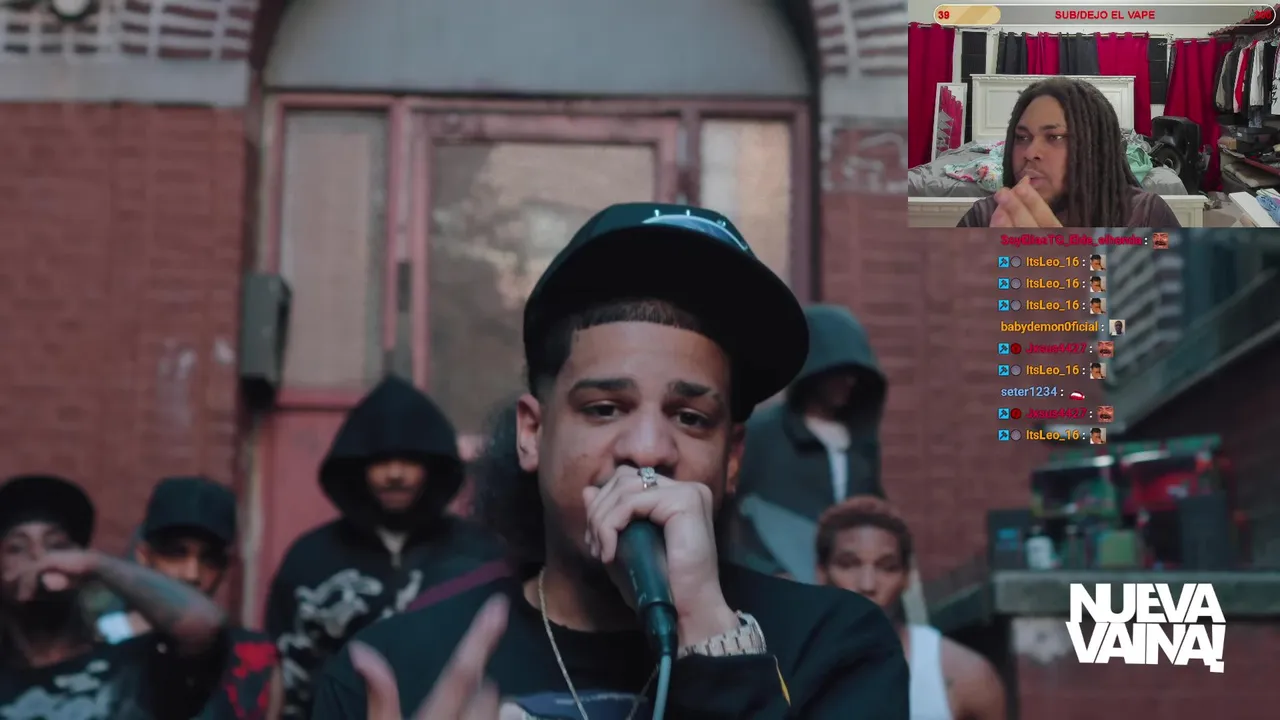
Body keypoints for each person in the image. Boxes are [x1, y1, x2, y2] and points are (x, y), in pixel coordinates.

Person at [309, 203, 909, 719]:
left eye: (691, 417)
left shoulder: (835, 648)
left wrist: (708, 631)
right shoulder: (391, 674)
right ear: (531, 433)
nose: (647, 449)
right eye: (603, 408)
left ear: (732, 459)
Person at [266, 375, 504, 719]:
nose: (395, 473)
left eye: (409, 460)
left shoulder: (479, 553)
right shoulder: (309, 559)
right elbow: (287, 677)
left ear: (433, 465)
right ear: (357, 466)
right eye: (380, 460)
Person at [0, 473, 229, 719]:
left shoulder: (135, 664)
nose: (40, 557)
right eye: (17, 548)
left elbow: (204, 624)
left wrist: (97, 564)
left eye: (57, 545)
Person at [725, 304, 888, 582]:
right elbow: (724, 516)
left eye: (855, 373)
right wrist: (764, 570)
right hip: (775, 588)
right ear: (815, 370)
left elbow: (875, 523)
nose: (849, 382)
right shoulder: (761, 435)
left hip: (846, 590)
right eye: (839, 371)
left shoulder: (861, 446)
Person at [96, 476, 282, 720]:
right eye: (176, 553)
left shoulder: (255, 659)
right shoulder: (98, 643)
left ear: (225, 567)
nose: (192, 574)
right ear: (144, 555)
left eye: (210, 558)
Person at [814, 497, 1005, 720]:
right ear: (821, 574)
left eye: (887, 567)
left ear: (907, 578)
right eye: (848, 564)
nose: (867, 584)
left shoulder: (962, 674)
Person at [958, 78, 1180, 228]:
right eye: (1022, 137)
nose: (1030, 152)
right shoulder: (985, 217)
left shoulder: (1145, 216)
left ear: (1095, 147)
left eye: (1054, 137)